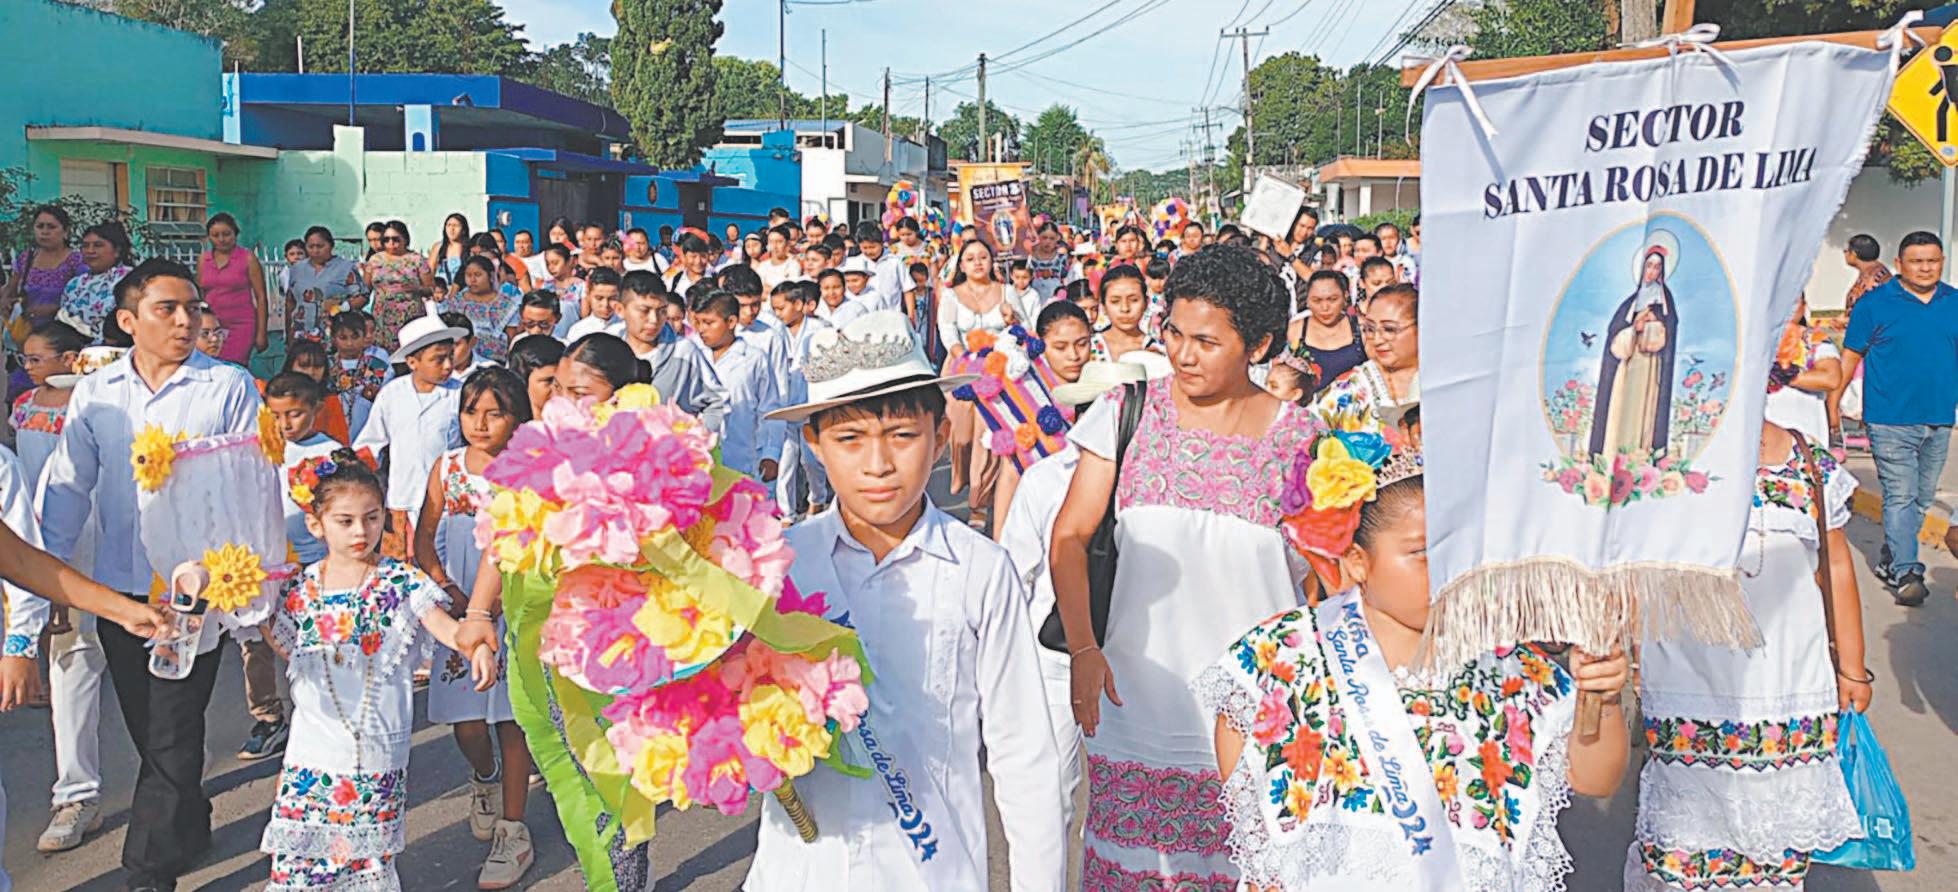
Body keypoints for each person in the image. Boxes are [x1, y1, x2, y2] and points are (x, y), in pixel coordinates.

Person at [1197, 439, 1629, 890]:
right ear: (1358, 562)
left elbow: (1594, 780)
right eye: (1422, 553)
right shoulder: (1288, 652)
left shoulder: (1508, 667)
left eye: (1458, 551)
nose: (1446, 570)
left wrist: (1603, 699)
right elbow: (1240, 753)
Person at [746, 309, 1066, 890]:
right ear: (814, 444)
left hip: (933, 872)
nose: (878, 465)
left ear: (940, 437)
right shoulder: (778, 565)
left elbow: (1024, 754)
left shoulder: (981, 570)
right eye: (849, 439)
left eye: (902, 436)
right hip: (803, 871)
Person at [1050, 243, 1314, 889]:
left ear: (1259, 346)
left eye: (1206, 341)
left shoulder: (1304, 440)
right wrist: (1083, 649)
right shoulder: (1125, 412)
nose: (1183, 354)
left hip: (1260, 716)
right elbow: (1070, 536)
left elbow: (1324, 580)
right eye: (1174, 333)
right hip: (1136, 705)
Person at [37, 257, 264, 891]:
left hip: (196, 594)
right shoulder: (98, 393)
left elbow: (251, 484)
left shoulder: (226, 386)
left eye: (194, 307)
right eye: (168, 309)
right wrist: (48, 579)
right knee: (151, 729)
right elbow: (67, 487)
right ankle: (188, 820)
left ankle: (146, 871)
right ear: (128, 320)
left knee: (171, 726)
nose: (185, 321)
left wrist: (241, 582)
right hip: (119, 589)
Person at [1624, 419, 1869, 891]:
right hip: (1690, 693)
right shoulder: (1662, 457)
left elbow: (1836, 564)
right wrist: (1633, 655)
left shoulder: (1808, 463)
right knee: (1682, 861)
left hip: (1792, 692)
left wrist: (1853, 670)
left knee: (1775, 861)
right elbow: (1634, 564)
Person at [258, 450, 494, 891]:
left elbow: (446, 627)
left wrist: (475, 644)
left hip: (375, 755)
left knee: (363, 866)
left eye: (370, 518)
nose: (359, 531)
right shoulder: (298, 589)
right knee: (299, 867)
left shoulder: (401, 582)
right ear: (316, 524)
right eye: (344, 521)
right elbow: (282, 644)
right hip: (311, 754)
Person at [408, 368, 537, 889]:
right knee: (467, 724)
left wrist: (497, 603)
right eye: (470, 411)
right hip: (459, 611)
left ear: (516, 419)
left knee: (511, 721)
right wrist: (453, 593)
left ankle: (514, 830)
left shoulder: (528, 471)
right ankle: (484, 778)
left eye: (494, 413)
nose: (480, 424)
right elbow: (423, 537)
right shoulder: (448, 467)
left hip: (514, 610)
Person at [1841, 230, 1958, 607]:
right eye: (1916, 261)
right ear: (1899, 264)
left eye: (1932, 261)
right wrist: (1831, 406)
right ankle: (1908, 571)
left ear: (1942, 262)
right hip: (1889, 418)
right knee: (1901, 495)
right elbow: (1850, 357)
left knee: (1921, 498)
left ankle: (1891, 557)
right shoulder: (1874, 305)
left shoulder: (1954, 302)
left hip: (1939, 417)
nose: (1925, 268)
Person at [354, 303, 465, 560]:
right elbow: (371, 442)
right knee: (403, 567)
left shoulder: (459, 393)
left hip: (448, 501)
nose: (448, 365)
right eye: (438, 359)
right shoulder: (392, 394)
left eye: (450, 356)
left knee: (443, 564)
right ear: (413, 362)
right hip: (402, 498)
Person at [688, 288, 784, 480]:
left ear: (731, 322)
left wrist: (771, 454)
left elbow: (770, 409)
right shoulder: (691, 355)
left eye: (709, 323)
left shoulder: (753, 359)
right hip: (696, 461)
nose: (701, 329)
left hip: (741, 459)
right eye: (698, 322)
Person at [617, 271, 728, 429]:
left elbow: (718, 403)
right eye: (644, 310)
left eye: (662, 311)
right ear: (620, 309)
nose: (654, 320)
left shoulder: (683, 352)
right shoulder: (609, 351)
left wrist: (696, 438)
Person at [1310, 284, 1420, 433]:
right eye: (1370, 329)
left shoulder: (1443, 380)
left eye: (1389, 329)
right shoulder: (1347, 391)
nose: (1377, 339)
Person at [768, 279, 833, 518]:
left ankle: (817, 499)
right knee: (785, 462)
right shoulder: (774, 332)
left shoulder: (820, 329)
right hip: (784, 407)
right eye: (774, 309)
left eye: (781, 308)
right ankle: (786, 512)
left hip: (810, 406)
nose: (777, 314)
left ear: (798, 305)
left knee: (810, 461)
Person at [1765, 297, 1843, 447]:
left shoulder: (1815, 340)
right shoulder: (1750, 341)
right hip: (1761, 438)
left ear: (1803, 307)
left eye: (1794, 301)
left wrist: (1785, 375)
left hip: (1806, 439)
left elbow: (1831, 378)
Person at [195, 213, 268, 363]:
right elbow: (199, 294)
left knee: (234, 367)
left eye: (226, 234)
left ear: (235, 233)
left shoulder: (247, 258)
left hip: (241, 326)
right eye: (216, 235)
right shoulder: (203, 260)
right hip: (212, 326)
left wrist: (261, 333)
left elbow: (261, 297)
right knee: (209, 365)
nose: (221, 239)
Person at [1, 205, 84, 337]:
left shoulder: (78, 261)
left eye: (51, 227)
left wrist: (52, 309)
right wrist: (5, 301)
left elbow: (84, 300)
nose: (45, 232)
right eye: (40, 226)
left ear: (66, 231)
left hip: (63, 334)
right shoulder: (26, 259)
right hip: (25, 332)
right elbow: (11, 289)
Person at [366, 221, 438, 351]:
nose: (391, 243)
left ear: (405, 239)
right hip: (382, 318)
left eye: (395, 239)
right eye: (386, 239)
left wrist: (416, 288)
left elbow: (431, 289)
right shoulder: (375, 260)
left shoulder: (417, 260)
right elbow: (365, 289)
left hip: (409, 317)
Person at [1289, 270, 1366, 393]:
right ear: (1307, 300)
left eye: (1332, 299)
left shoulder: (1363, 329)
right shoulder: (1295, 331)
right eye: (1317, 300)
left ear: (1345, 296)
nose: (1325, 307)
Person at [286, 226, 366, 342]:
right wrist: (288, 333)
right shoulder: (297, 269)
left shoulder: (345, 268)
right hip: (301, 334)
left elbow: (362, 296)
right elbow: (290, 302)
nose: (315, 251)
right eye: (310, 247)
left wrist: (343, 307)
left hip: (334, 333)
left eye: (320, 246)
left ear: (331, 246)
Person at [442, 256, 524, 365]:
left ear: (491, 276)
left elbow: (511, 340)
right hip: (459, 364)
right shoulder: (455, 303)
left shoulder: (507, 305)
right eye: (468, 275)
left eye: (478, 275)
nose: (472, 280)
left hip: (495, 364)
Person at [60, 223, 136, 341]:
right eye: (85, 246)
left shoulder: (130, 279)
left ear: (117, 250)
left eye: (98, 245)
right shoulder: (74, 284)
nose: (90, 251)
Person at [328, 312, 391, 441]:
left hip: (368, 429)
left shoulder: (378, 365)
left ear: (364, 337)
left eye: (355, 337)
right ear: (333, 339)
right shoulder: (327, 365)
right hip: (333, 429)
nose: (349, 343)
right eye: (343, 338)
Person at [1090, 264, 1161, 361]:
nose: (1125, 308)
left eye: (1134, 300)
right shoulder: (1087, 348)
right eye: (1115, 301)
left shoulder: (1159, 351)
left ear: (1146, 303)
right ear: (1103, 306)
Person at [504, 334, 565, 418]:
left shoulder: (579, 421)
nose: (560, 387)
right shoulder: (508, 424)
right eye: (549, 380)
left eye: (564, 379)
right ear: (522, 382)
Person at [564, 267, 627, 341]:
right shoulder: (578, 330)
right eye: (599, 298)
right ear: (588, 294)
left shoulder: (628, 327)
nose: (605, 304)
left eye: (612, 298)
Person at [1842, 232, 1892, 314]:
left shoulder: (1872, 276)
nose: (1844, 254)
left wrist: (1845, 320)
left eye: (1845, 251)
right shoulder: (1871, 271)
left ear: (1854, 254)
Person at [755, 223, 801, 292]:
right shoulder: (762, 266)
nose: (774, 246)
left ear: (787, 244)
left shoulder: (793, 265)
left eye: (779, 242)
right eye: (771, 242)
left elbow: (789, 291)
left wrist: (769, 289)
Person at [429, 212, 473, 283]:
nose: (452, 229)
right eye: (449, 225)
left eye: (456, 226)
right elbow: (430, 271)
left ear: (464, 230)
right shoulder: (438, 247)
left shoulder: (470, 247)